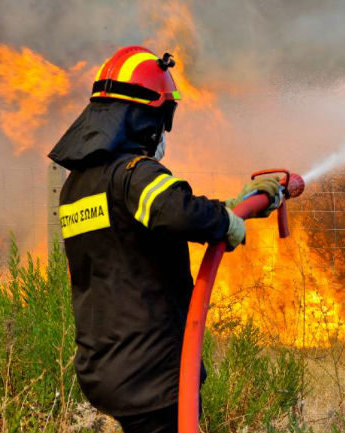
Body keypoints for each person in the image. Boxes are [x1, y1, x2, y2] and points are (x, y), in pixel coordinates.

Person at [47, 46, 280, 433]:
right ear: (145, 118)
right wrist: (226, 222)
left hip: (106, 366)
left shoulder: (78, 187)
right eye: (163, 116)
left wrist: (233, 208)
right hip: (151, 373)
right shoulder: (133, 173)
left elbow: (153, 221)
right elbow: (179, 211)